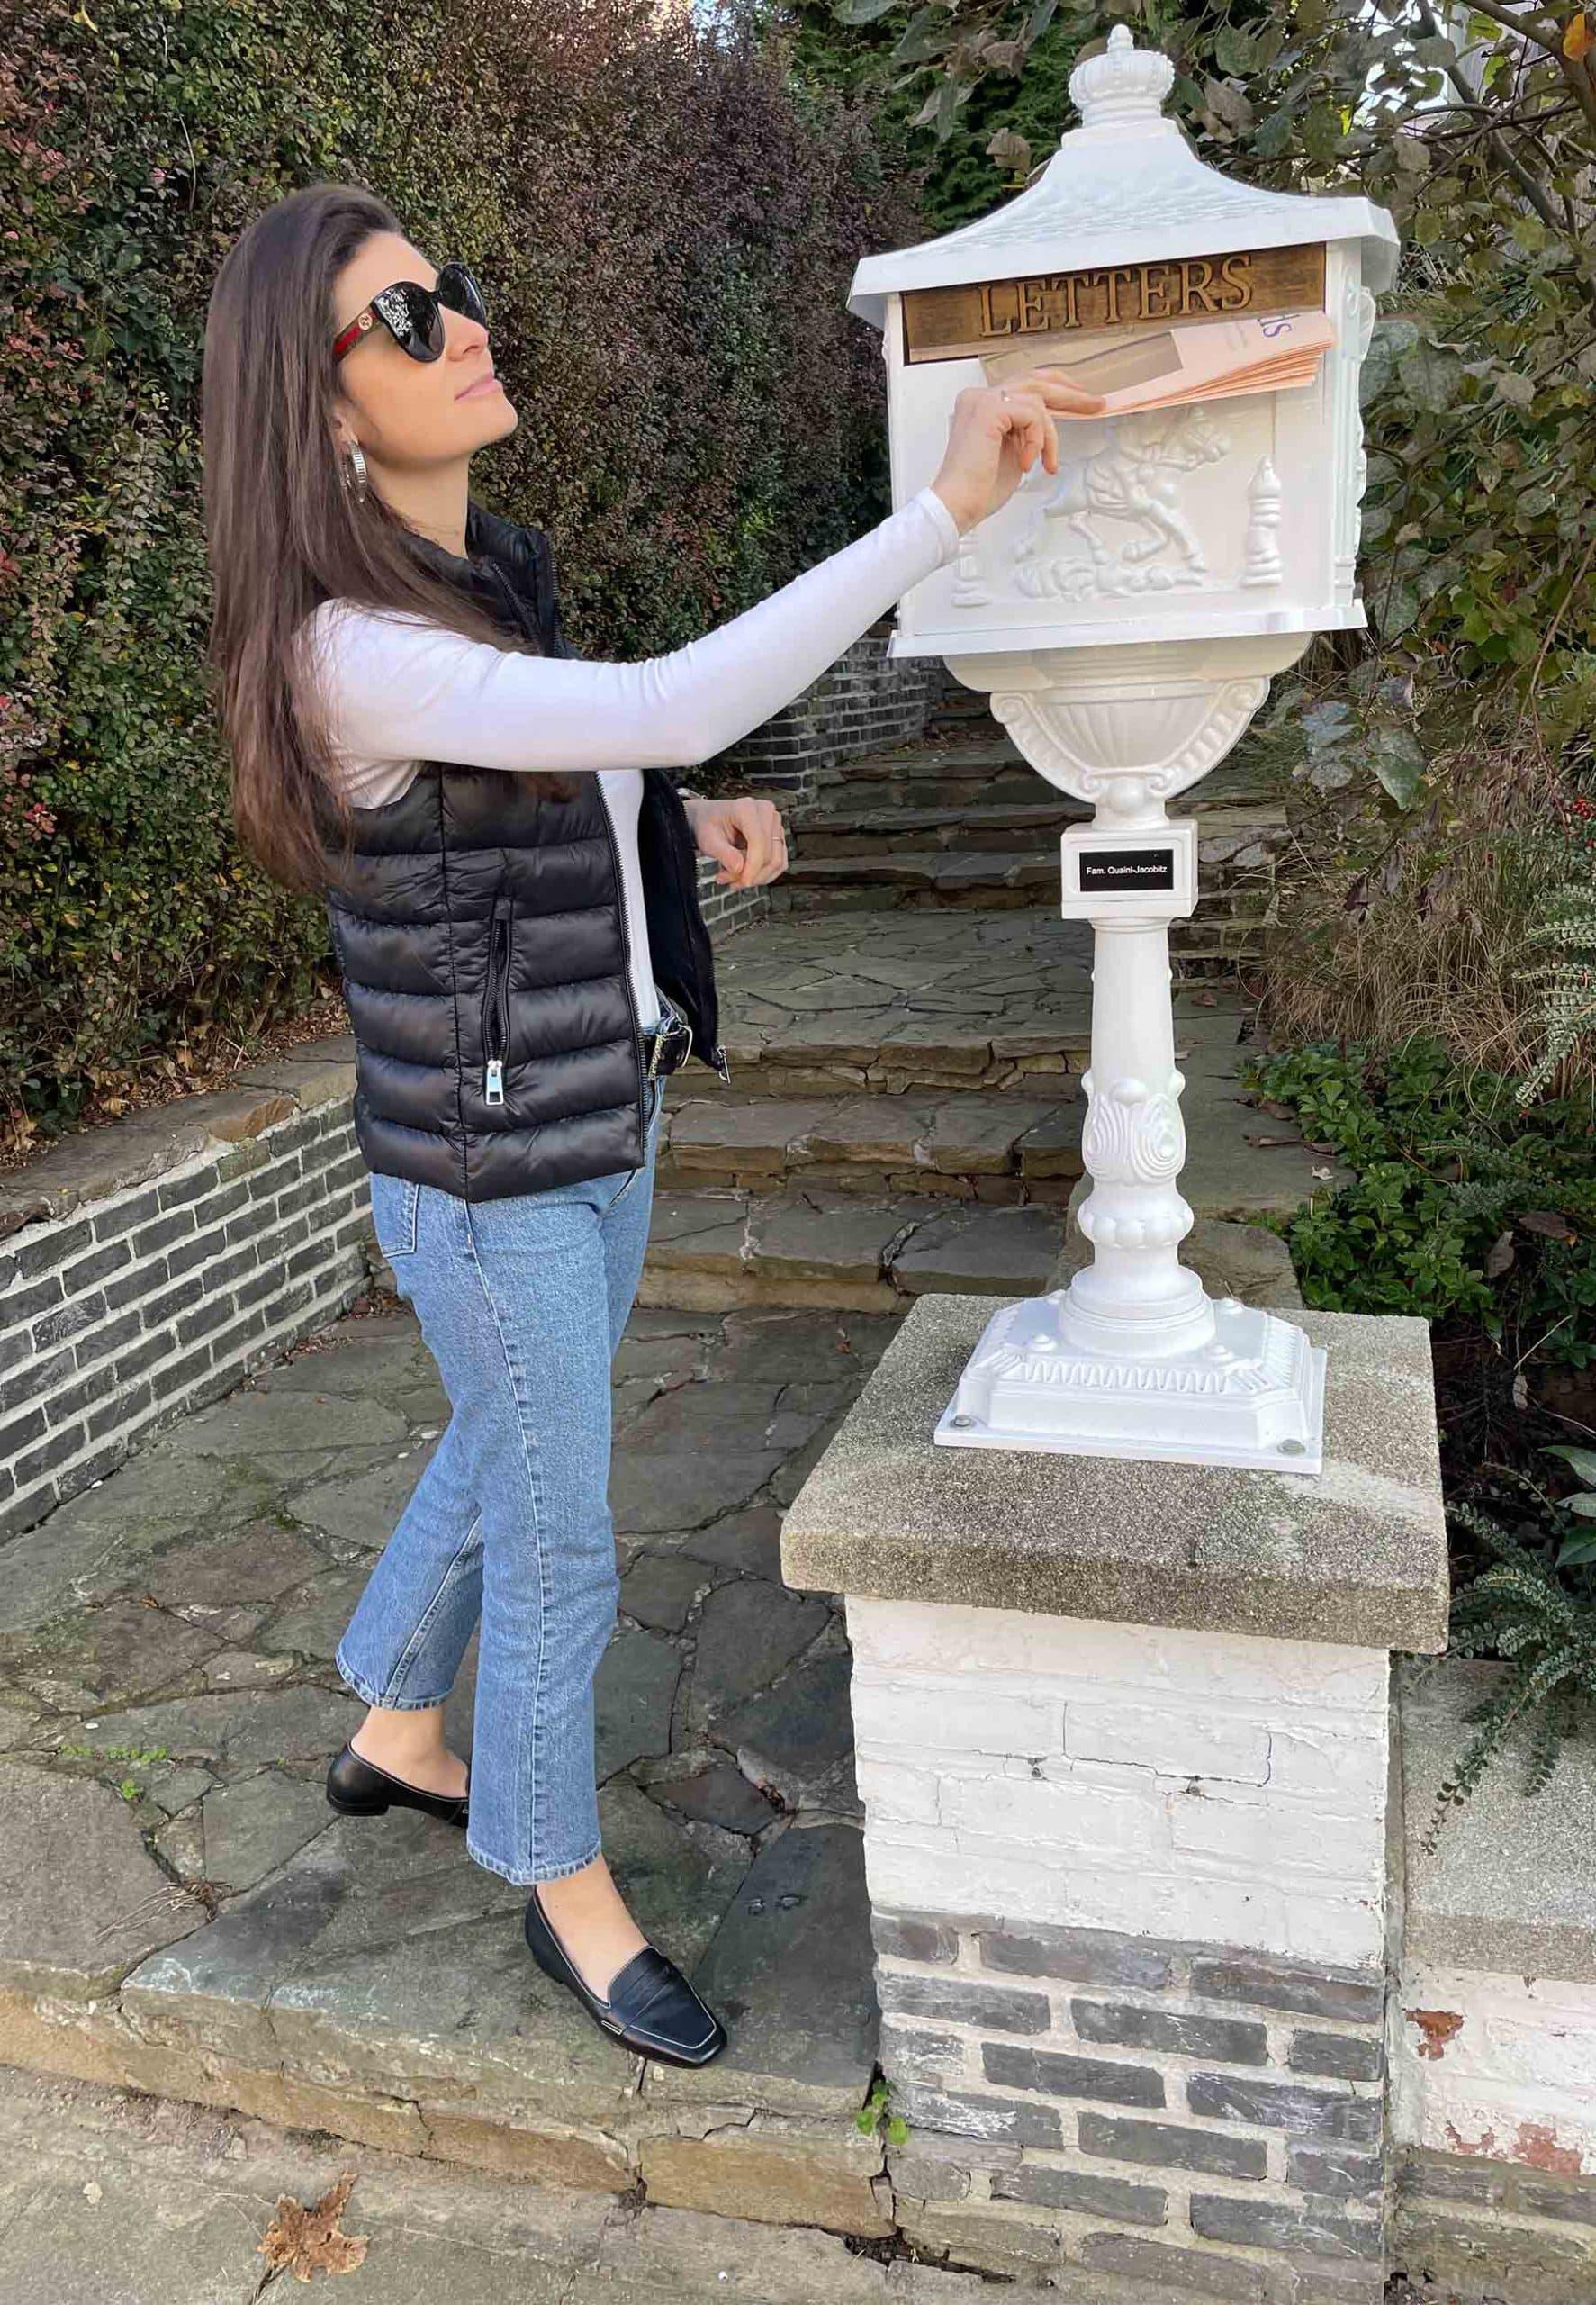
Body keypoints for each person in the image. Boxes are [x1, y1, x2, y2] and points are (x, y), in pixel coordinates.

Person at [201, 180, 1103, 2070]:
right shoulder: (342, 645)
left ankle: (392, 1719)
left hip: (597, 1101)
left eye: (451, 283)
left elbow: (563, 779)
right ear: (322, 409)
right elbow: (667, 696)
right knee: (561, 1530)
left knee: (510, 1432)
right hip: (487, 1161)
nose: (461, 321)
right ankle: (558, 1875)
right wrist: (939, 514)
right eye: (402, 318)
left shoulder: (473, 583)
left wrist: (680, 830)